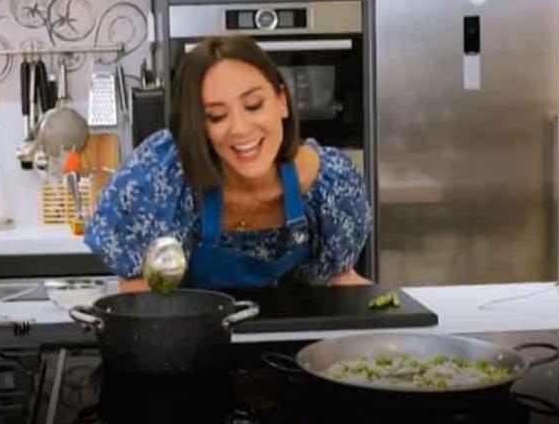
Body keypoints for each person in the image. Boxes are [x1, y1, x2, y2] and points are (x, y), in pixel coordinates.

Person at [85, 36, 372, 290]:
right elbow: (139, 292)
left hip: (295, 346)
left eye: (253, 105)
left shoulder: (329, 185)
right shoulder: (158, 177)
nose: (240, 129)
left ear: (282, 101)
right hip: (186, 342)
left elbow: (341, 282)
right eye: (216, 116)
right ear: (197, 125)